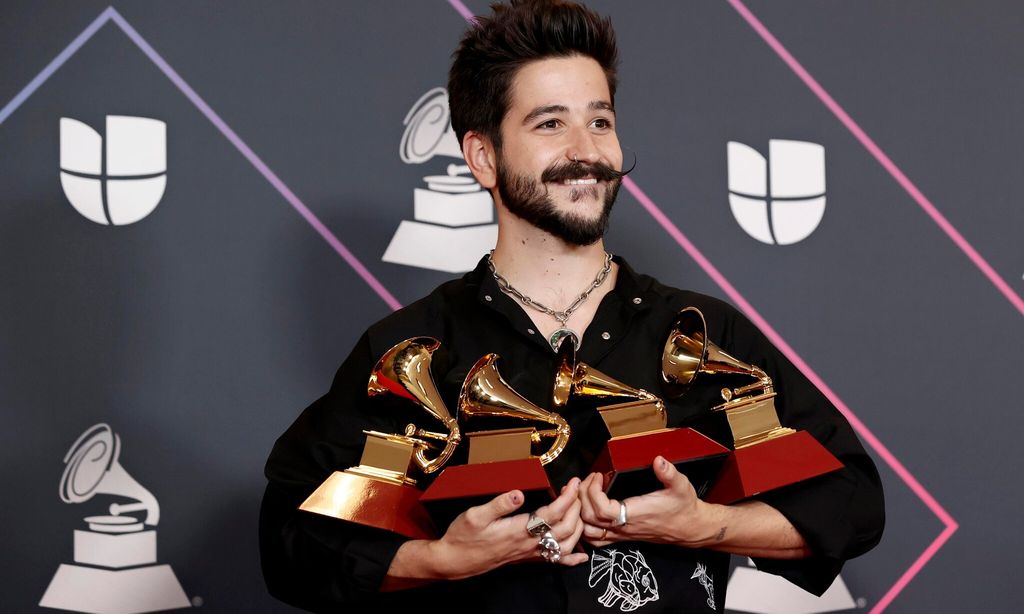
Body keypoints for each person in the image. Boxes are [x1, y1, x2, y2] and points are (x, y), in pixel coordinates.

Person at [259, 1, 884, 612]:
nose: (586, 150)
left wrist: (704, 525)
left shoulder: (702, 332)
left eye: (601, 121)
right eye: (550, 123)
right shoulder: (410, 349)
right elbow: (290, 544)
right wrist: (443, 559)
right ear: (483, 157)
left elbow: (853, 503)